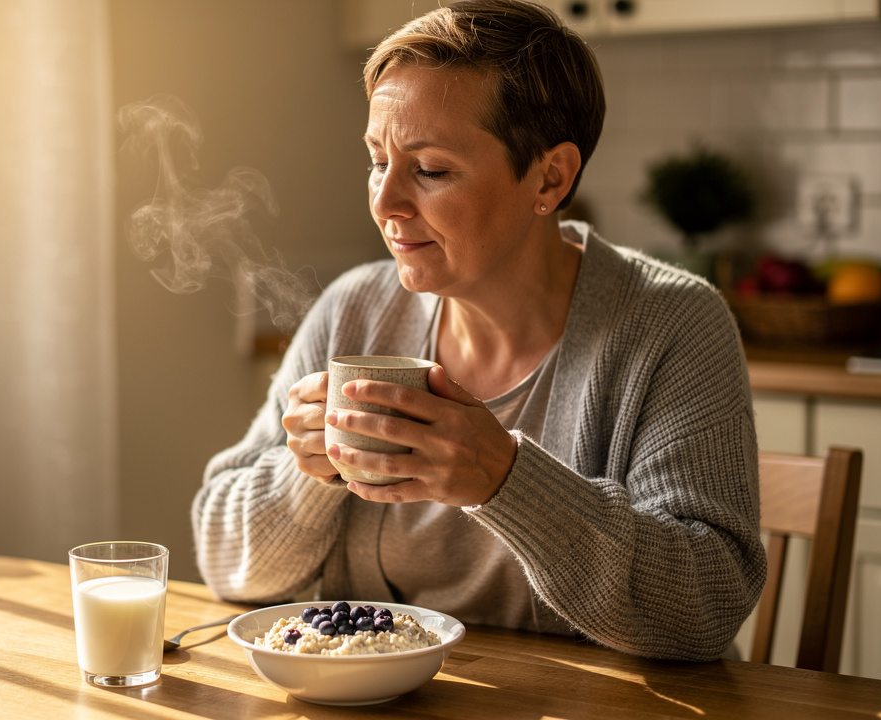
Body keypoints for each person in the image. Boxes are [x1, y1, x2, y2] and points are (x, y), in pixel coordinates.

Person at [192, 0, 766, 662]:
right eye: (379, 160)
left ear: (550, 176)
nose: (385, 203)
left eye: (430, 169)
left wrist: (506, 480)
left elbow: (705, 605)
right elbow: (224, 562)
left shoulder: (671, 325)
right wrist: (311, 473)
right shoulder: (354, 312)